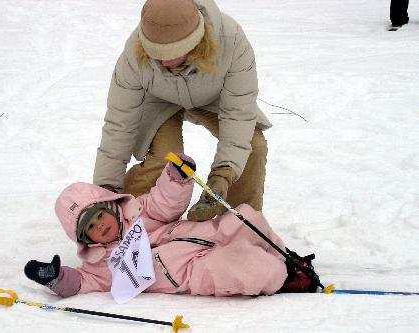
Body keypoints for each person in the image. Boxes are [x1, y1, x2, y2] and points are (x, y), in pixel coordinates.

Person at [24, 155, 317, 299]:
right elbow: (82, 283)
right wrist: (56, 278)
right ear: (84, 238)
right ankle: (283, 277)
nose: (100, 226)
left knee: (244, 217)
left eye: (99, 216)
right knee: (243, 265)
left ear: (111, 206)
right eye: (90, 227)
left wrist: (175, 177)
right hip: (193, 273)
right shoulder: (102, 265)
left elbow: (165, 202)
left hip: (204, 234)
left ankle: (287, 257)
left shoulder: (139, 212)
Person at [93, 0, 271, 222]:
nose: (165, 61)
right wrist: (105, 190)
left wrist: (223, 173)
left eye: (174, 52)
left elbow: (239, 112)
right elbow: (119, 123)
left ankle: (240, 224)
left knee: (254, 146)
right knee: (165, 160)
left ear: (197, 42)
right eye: (157, 54)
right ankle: (128, 220)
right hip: (159, 99)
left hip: (213, 98)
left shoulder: (231, 40)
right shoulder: (134, 53)